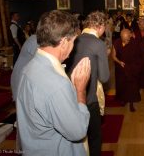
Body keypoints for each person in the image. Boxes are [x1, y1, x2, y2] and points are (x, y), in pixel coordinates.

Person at [16, 10, 91, 156]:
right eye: (73, 41)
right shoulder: (56, 84)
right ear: (63, 42)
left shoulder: (29, 67)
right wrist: (80, 90)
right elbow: (77, 131)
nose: (73, 47)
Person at [66, 11, 110, 156]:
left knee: (77, 135)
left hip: (70, 95)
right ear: (101, 26)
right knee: (95, 136)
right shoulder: (98, 43)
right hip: (89, 97)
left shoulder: (75, 39)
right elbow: (104, 77)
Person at [112, 29, 142, 111]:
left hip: (132, 67)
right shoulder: (117, 42)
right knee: (121, 84)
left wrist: (136, 66)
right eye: (124, 39)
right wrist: (119, 62)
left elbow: (139, 56)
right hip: (120, 67)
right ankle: (123, 99)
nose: (126, 41)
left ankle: (131, 103)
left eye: (127, 39)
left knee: (132, 86)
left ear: (130, 36)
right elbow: (113, 56)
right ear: (120, 37)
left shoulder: (135, 43)